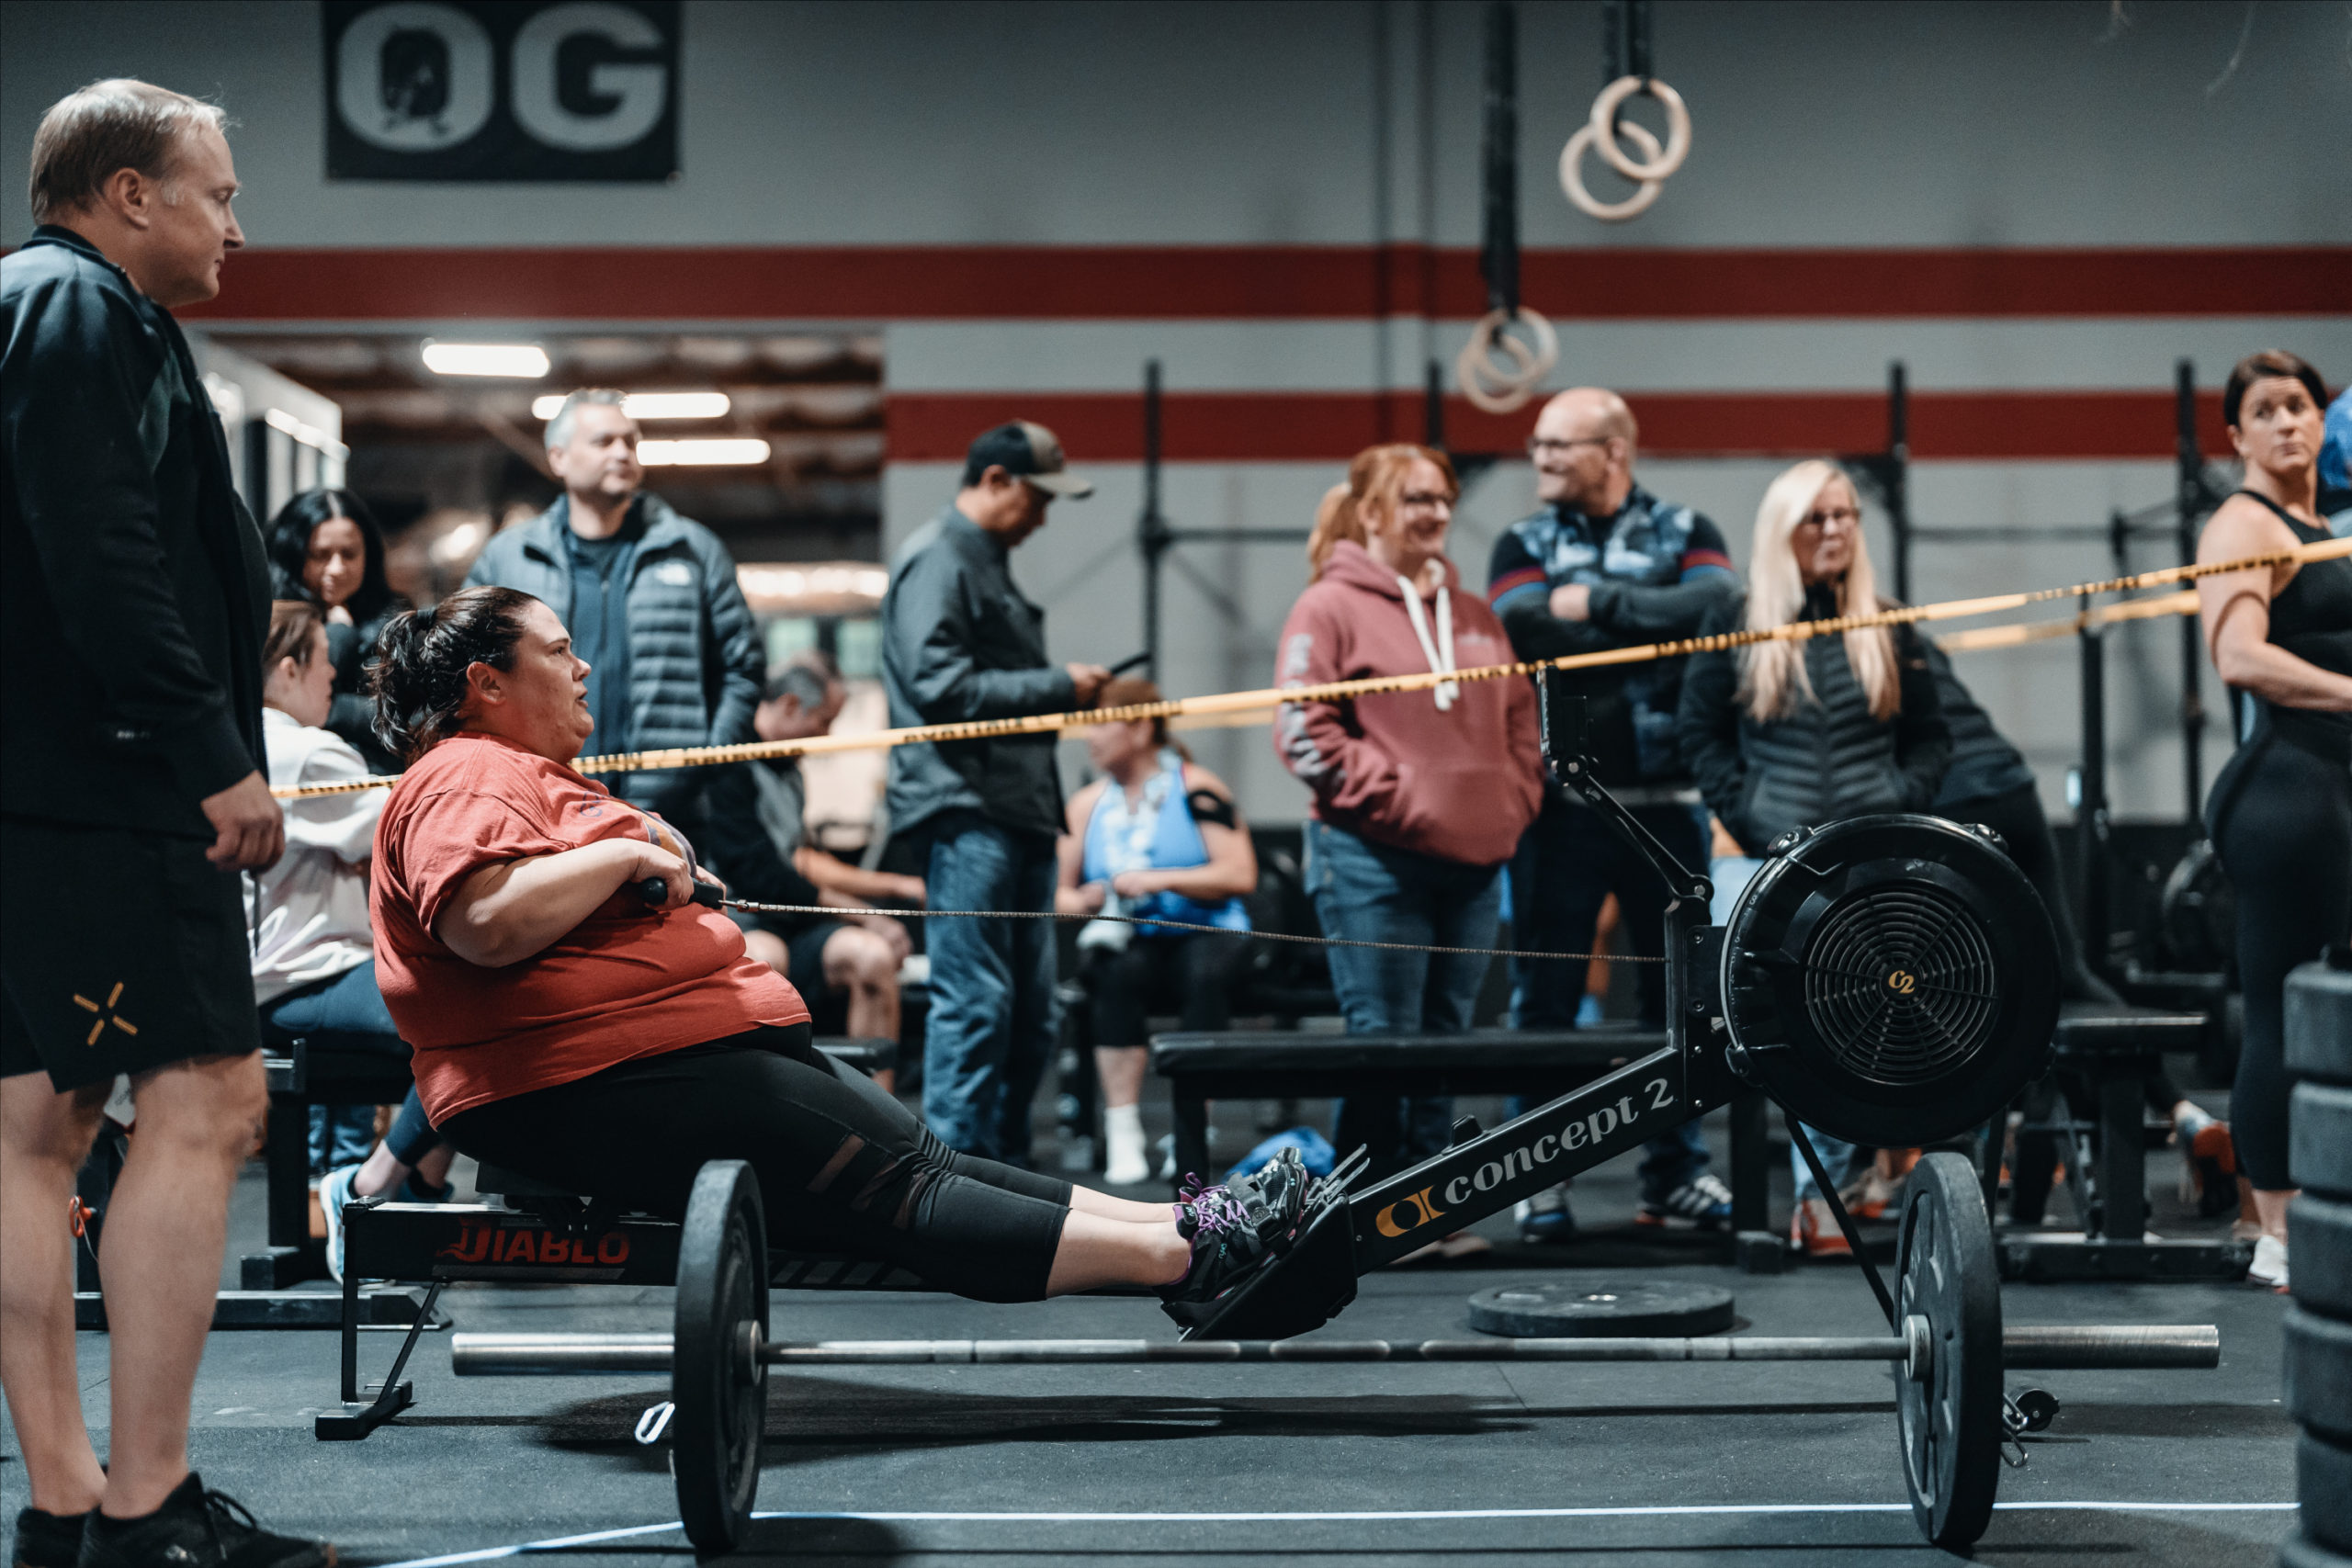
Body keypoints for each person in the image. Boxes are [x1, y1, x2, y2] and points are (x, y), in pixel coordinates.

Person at [363, 586, 1304, 1327]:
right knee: (902, 1189)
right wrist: (628, 852)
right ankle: (1189, 1260)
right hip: (592, 1074)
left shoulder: (518, 775)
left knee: (927, 1158)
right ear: (487, 684)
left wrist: (638, 853)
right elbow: (481, 926)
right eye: (559, 651)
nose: (584, 667)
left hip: (662, 1053)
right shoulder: (464, 770)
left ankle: (1189, 1222)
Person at [1, 79, 331, 1568]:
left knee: (31, 1131)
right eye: (216, 194)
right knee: (204, 1106)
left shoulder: (38, 308)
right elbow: (105, 553)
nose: (235, 226)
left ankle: (69, 1501)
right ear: (129, 193)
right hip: (112, 791)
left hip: (41, 792)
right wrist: (215, 755)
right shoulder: (85, 312)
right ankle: (148, 1508)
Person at [1676, 459, 1951, 1258]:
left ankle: (1824, 1193)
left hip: (1866, 860)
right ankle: (1803, 1193)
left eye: (1847, 516)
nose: (1836, 530)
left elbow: (1935, 737)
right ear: (1782, 530)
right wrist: (1751, 811)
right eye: (1816, 518)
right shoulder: (1735, 619)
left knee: (1857, 1013)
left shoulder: (1888, 623)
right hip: (1763, 855)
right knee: (1766, 1010)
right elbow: (1700, 736)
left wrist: (1897, 799)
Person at [1486, 388, 1743, 1240]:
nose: (1541, 461)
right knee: (1544, 1001)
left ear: (1616, 450)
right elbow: (1522, 626)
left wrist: (1588, 606)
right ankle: (1538, 1179)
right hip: (1560, 808)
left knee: (1680, 1003)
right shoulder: (1521, 541)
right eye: (1538, 446)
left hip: (1667, 807)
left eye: (1560, 446)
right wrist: (1643, 618)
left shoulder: (1688, 529)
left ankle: (1675, 1176)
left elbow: (1716, 608)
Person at [1276, 446, 1544, 1208]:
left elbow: (1522, 720)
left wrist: (1511, 799)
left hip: (1474, 860)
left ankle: (1430, 1209)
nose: (1436, 512)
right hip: (1370, 859)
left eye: (1442, 497)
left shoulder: (1476, 615)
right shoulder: (1327, 607)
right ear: (1372, 513)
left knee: (1447, 1038)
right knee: (1383, 1041)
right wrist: (1400, 796)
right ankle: (1357, 1214)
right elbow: (1300, 731)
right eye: (1416, 498)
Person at [882, 423, 1111, 1161]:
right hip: (967, 808)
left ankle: (1005, 1182)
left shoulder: (977, 560)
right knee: (978, 1005)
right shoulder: (939, 558)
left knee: (1030, 1016)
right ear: (996, 481)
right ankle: (947, 1196)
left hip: (1012, 810)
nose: (1043, 516)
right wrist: (1058, 685)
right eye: (1038, 497)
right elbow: (938, 684)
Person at [2194, 350, 2352, 1292]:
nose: (2289, 422)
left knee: (2328, 1016)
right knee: (2280, 1013)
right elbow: (2240, 657)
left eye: (2301, 405)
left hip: (2331, 788)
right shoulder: (2241, 523)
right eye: (2267, 409)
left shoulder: (2319, 526)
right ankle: (2279, 1237)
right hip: (2283, 794)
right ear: (2237, 435)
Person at [247, 600, 451, 1281]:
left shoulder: (244, 743)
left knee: (464, 1013)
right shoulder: (306, 753)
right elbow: (408, 823)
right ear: (286, 668)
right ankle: (370, 1192)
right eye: (323, 659)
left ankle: (410, 1196)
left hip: (270, 981)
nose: (334, 673)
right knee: (468, 1018)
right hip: (306, 980)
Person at [464, 388, 763, 827]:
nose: (623, 453)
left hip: (672, 808)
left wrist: (706, 761)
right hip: (544, 802)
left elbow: (743, 668)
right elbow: (465, 670)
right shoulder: (509, 558)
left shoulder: (692, 551)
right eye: (604, 442)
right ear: (559, 458)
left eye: (631, 442)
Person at [1055, 678, 1258, 1185]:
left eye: (1102, 723)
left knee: (1204, 973)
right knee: (1113, 972)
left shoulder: (1200, 787)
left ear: (1142, 726)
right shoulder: (1085, 804)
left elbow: (1239, 874)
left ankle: (1192, 1128)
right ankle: (1122, 1130)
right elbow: (1057, 894)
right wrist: (1085, 899)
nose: (1090, 737)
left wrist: (1160, 878)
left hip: (1204, 931)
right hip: (1130, 938)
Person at [702, 652, 920, 1053]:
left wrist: (882, 905)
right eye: (823, 722)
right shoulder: (728, 764)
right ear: (789, 706)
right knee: (769, 959)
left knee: (874, 958)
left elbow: (799, 860)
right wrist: (862, 913)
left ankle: (877, 1113)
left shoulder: (790, 772)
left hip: (792, 922)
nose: (824, 736)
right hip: (742, 922)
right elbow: (763, 875)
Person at [264, 487, 407, 773]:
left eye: (349, 554)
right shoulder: (269, 616)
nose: (337, 568)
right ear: (293, 554)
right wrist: (341, 633)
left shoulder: (394, 620)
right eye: (320, 555)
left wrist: (329, 708)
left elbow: (406, 720)